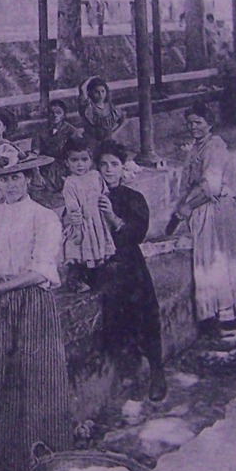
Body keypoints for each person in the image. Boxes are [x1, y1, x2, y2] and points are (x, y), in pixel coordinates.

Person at [0, 144, 71, 471]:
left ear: (28, 178)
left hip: (30, 302)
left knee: (37, 380)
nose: (9, 186)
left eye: (15, 178)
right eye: (3, 180)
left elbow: (41, 271)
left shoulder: (44, 217)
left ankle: (42, 469)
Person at [166, 103, 236, 342]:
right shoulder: (199, 147)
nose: (193, 127)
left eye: (198, 122)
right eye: (190, 123)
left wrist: (187, 207)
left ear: (209, 123)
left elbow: (210, 186)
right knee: (210, 262)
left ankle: (229, 318)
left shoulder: (215, 149)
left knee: (219, 261)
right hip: (204, 210)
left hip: (215, 209)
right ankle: (219, 316)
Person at [94, 142, 167, 402]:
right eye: (103, 165)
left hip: (129, 263)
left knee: (145, 314)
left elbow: (137, 233)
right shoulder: (88, 194)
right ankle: (127, 375)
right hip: (101, 266)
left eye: (113, 165)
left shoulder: (132, 198)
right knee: (114, 320)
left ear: (122, 168)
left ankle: (157, 371)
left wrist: (113, 218)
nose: (108, 170)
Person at [59, 134, 115, 284]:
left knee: (100, 246)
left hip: (98, 219)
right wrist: (76, 229)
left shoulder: (96, 175)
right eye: (74, 160)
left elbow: (104, 192)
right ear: (66, 162)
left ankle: (100, 275)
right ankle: (81, 279)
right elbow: (73, 208)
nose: (80, 165)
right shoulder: (70, 183)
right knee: (84, 250)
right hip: (83, 222)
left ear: (91, 160)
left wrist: (106, 206)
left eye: (84, 160)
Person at [35, 98, 82, 194]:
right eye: (52, 112)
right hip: (45, 165)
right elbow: (36, 149)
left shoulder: (71, 131)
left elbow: (80, 148)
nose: (55, 115)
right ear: (47, 114)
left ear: (64, 115)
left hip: (64, 165)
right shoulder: (41, 131)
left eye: (58, 112)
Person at [78, 77, 124, 146]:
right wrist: (91, 78)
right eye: (96, 92)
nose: (100, 94)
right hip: (92, 142)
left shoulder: (110, 107)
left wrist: (114, 132)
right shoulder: (89, 108)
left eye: (103, 91)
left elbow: (123, 120)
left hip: (108, 141)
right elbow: (82, 88)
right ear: (90, 93)